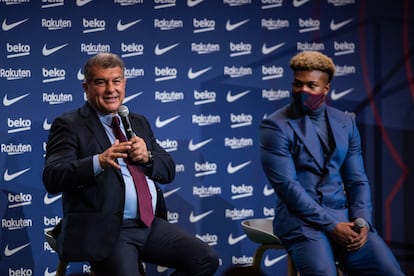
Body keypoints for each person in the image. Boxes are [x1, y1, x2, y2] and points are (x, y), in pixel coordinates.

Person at [43, 52, 219, 276]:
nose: (110, 90)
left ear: (124, 84)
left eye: (116, 81)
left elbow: (168, 170)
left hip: (149, 225)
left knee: (205, 259)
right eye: (101, 82)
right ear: (86, 87)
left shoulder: (137, 121)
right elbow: (53, 176)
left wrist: (148, 158)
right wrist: (99, 161)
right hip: (106, 230)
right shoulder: (69, 124)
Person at [259, 51, 404, 275]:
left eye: (311, 85)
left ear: (326, 89)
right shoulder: (275, 126)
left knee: (391, 272)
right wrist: (331, 225)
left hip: (344, 220)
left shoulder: (345, 122)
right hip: (301, 223)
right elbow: (288, 187)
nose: (302, 91)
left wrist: (362, 221)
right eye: (297, 84)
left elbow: (357, 180)